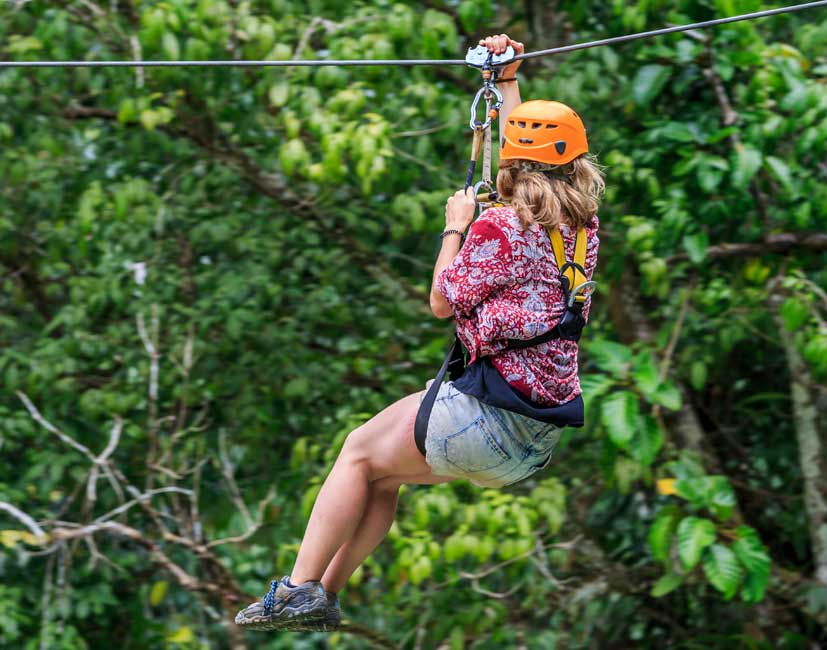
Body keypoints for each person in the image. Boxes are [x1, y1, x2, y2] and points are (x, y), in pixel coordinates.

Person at [234, 33, 603, 631]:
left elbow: (440, 300)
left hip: (487, 417)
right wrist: (508, 81)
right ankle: (322, 594)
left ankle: (297, 587)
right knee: (378, 476)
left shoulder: (499, 228)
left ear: (514, 159)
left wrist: (455, 226)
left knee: (356, 452)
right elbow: (529, 150)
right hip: (535, 441)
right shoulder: (581, 227)